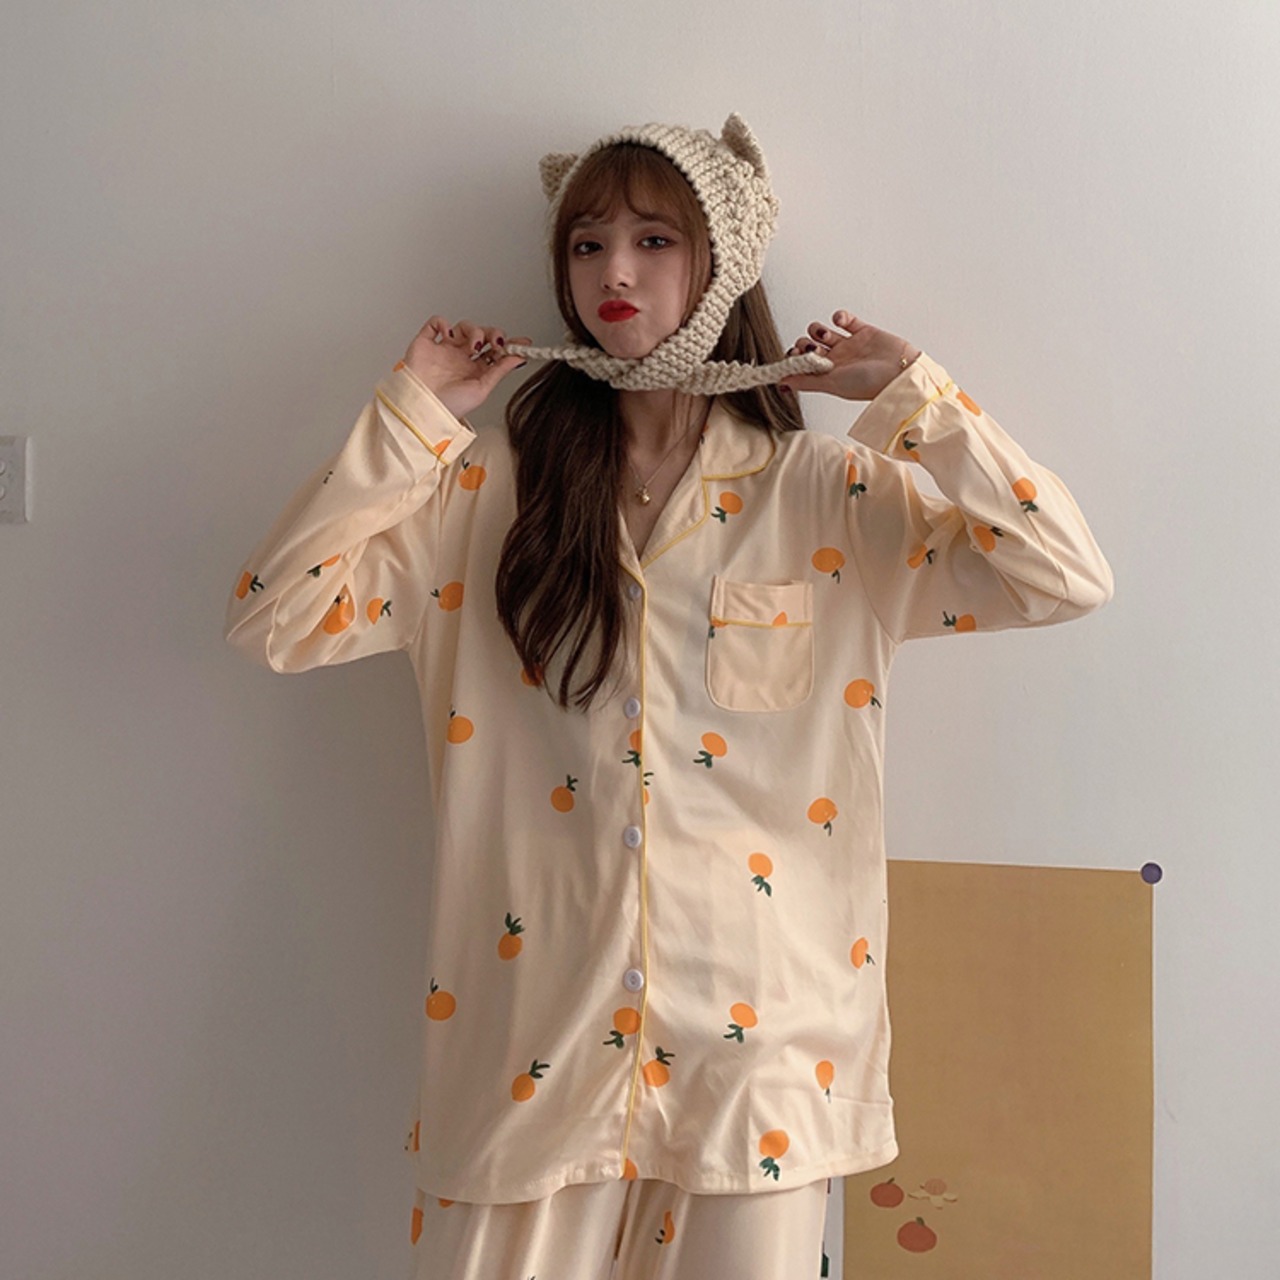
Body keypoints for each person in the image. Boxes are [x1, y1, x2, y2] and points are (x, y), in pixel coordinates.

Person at [223, 112, 1114, 1280]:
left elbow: (1061, 575)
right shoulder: (480, 494)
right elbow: (276, 618)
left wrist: (915, 398)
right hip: (529, 1061)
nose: (614, 270)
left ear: (721, 266)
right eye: (586, 244)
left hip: (763, 1072)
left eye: (653, 239)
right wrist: (414, 415)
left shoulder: (827, 495)